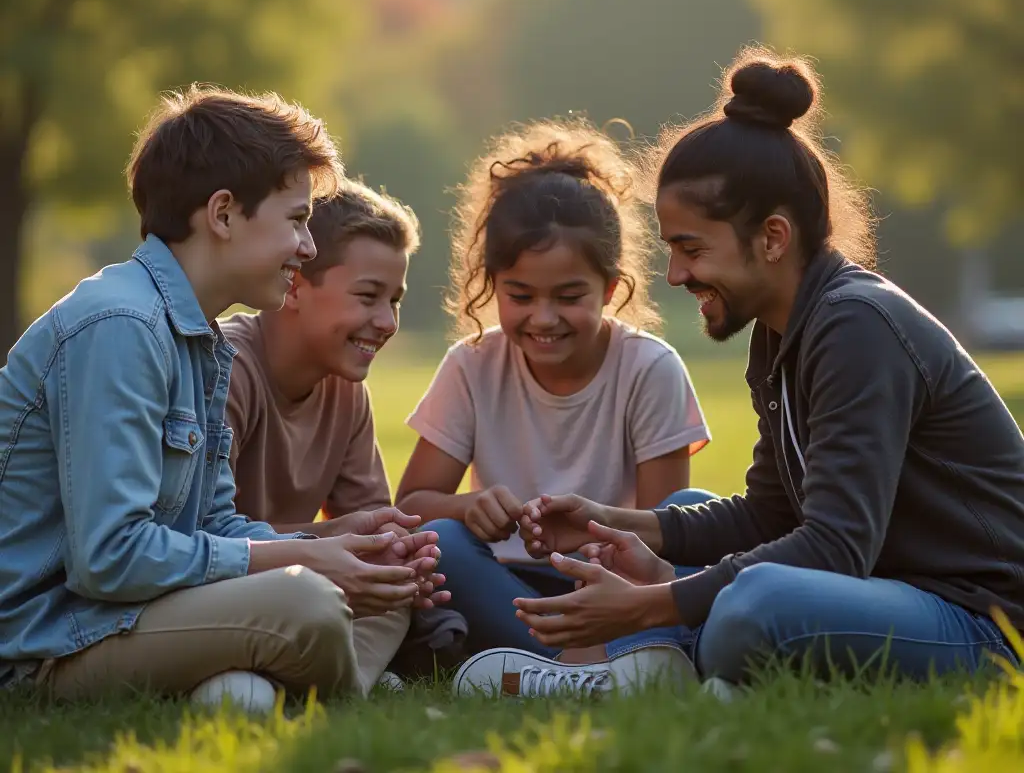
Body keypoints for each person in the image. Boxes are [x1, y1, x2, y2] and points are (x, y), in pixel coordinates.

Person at [451, 49, 1024, 699]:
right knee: (681, 512)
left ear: (773, 237)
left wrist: (655, 601)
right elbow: (770, 512)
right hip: (888, 591)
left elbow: (836, 546)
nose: (674, 275)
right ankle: (648, 675)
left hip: (984, 623)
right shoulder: (782, 333)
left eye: (692, 249)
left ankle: (634, 671)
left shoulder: (856, 326)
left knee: (755, 605)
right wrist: (611, 521)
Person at [0, 86, 439, 710]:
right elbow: (109, 558)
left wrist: (334, 549)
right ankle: (335, 696)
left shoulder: (199, 341)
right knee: (307, 602)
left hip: (129, 618)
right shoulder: (120, 326)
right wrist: (303, 565)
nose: (308, 247)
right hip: (50, 645)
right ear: (224, 214)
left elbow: (215, 524)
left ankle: (257, 694)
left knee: (366, 589)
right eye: (296, 221)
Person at [396, 119, 713, 667]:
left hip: (613, 584)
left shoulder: (649, 368)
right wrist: (469, 508)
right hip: (507, 587)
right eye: (520, 295)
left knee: (695, 512)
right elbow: (413, 507)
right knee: (440, 541)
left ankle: (555, 663)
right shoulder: (472, 365)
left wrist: (595, 535)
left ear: (610, 288)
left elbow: (665, 529)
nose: (544, 319)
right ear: (493, 284)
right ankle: (591, 664)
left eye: (569, 296)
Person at [223, 180, 449, 695]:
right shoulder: (228, 370)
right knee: (309, 606)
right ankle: (328, 686)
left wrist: (396, 559)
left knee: (391, 595)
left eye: (394, 300)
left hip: (300, 584)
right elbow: (201, 539)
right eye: (367, 297)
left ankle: (308, 686)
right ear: (296, 284)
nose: (387, 321)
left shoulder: (346, 389)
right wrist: (327, 541)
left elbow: (369, 527)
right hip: (224, 582)